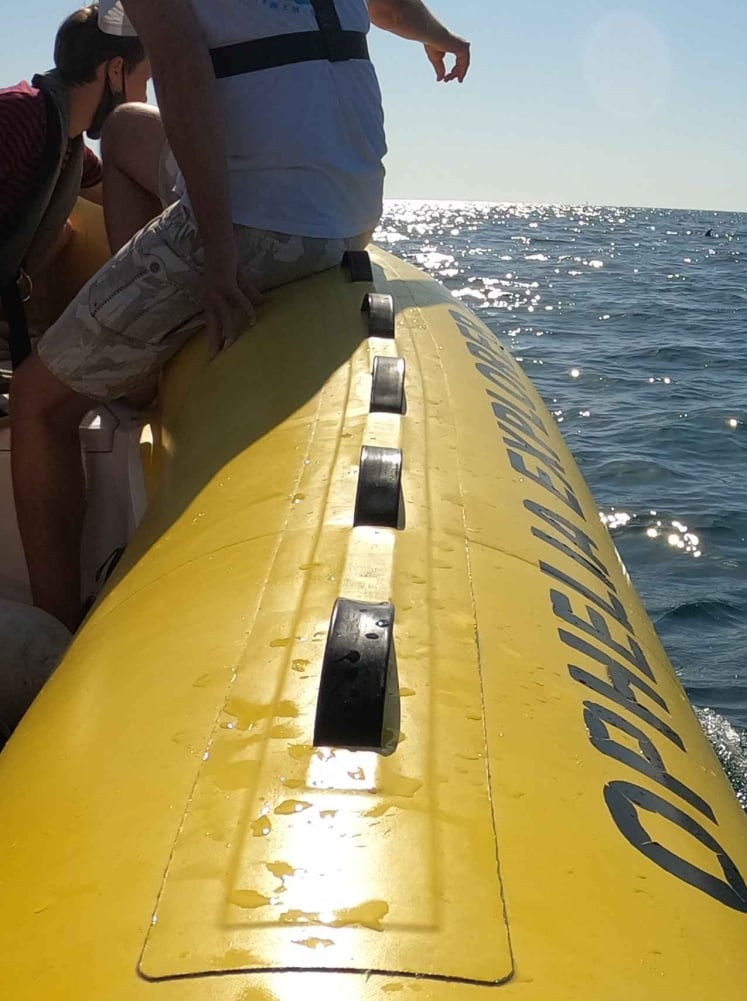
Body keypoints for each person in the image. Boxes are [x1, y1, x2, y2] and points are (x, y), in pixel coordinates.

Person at [7, 0, 470, 632]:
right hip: (353, 216)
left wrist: (218, 257)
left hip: (257, 222)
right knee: (123, 132)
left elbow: (180, 65)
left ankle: (54, 632)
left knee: (36, 401)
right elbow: (385, 5)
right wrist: (440, 35)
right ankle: (141, 342)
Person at [1, 5, 151, 366]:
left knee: (63, 232)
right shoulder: (19, 116)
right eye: (144, 82)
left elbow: (115, 191)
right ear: (116, 71)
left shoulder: (67, 150)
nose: (144, 100)